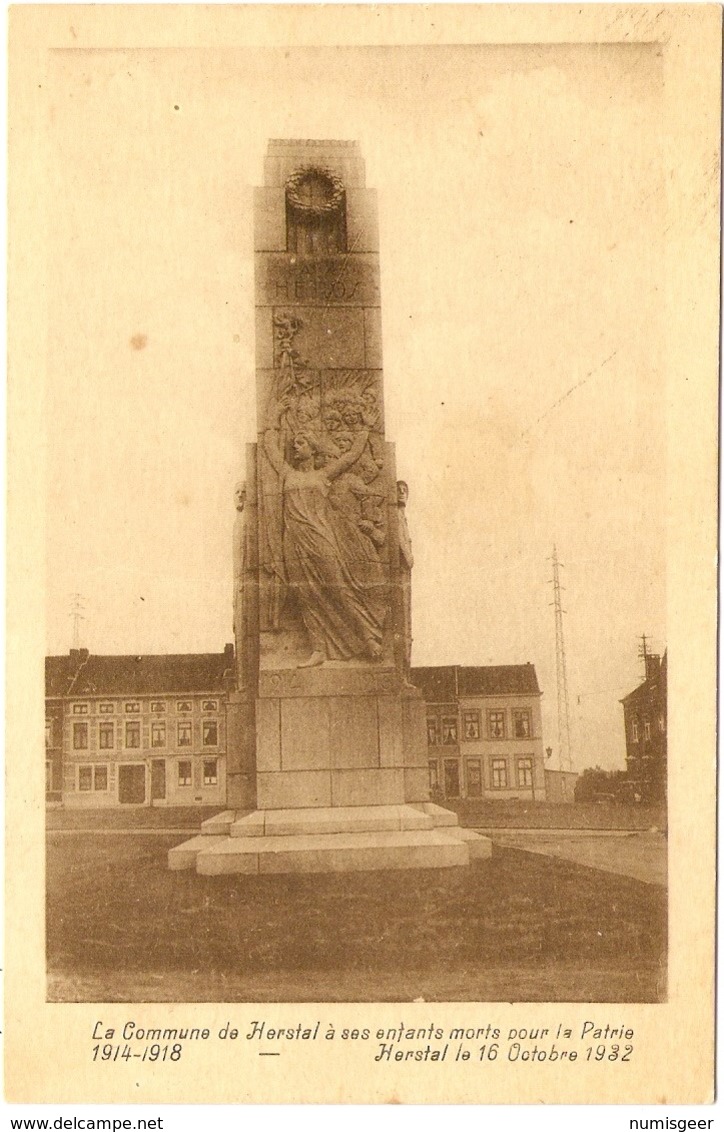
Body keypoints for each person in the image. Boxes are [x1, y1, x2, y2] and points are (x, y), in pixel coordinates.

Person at [263, 420, 387, 667]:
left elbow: (351, 456)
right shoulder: (288, 474)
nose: (295, 447)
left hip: (320, 537)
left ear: (313, 448)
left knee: (338, 588)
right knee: (305, 595)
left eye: (301, 442)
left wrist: (364, 428)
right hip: (294, 542)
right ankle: (318, 648)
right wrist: (273, 420)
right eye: (294, 443)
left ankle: (369, 636)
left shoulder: (324, 475)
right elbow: (270, 448)